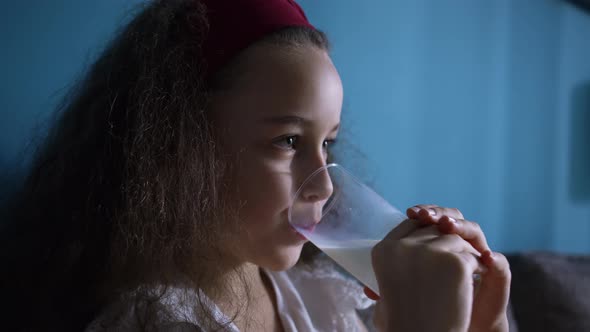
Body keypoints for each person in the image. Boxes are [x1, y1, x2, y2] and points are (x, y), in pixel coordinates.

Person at [0, 0, 511, 331]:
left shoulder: (319, 298)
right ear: (181, 146)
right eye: (288, 141)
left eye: (327, 144)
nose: (325, 185)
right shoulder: (151, 321)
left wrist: (483, 322)